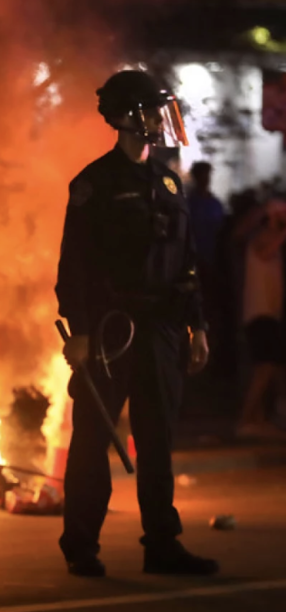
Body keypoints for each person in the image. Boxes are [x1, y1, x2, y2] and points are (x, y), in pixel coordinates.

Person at [56, 70, 218, 577]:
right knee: (92, 440)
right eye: (150, 111)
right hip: (111, 329)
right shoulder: (94, 184)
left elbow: (187, 262)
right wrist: (81, 332)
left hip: (162, 329)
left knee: (157, 440)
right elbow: (74, 265)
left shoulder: (168, 181)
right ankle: (81, 545)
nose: (158, 120)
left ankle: (162, 545)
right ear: (126, 117)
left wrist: (197, 325)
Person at [233, 198, 286, 440]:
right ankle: (246, 419)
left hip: (269, 314)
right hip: (259, 313)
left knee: (269, 367)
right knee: (265, 367)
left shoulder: (272, 239)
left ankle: (258, 419)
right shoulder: (260, 238)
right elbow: (266, 251)